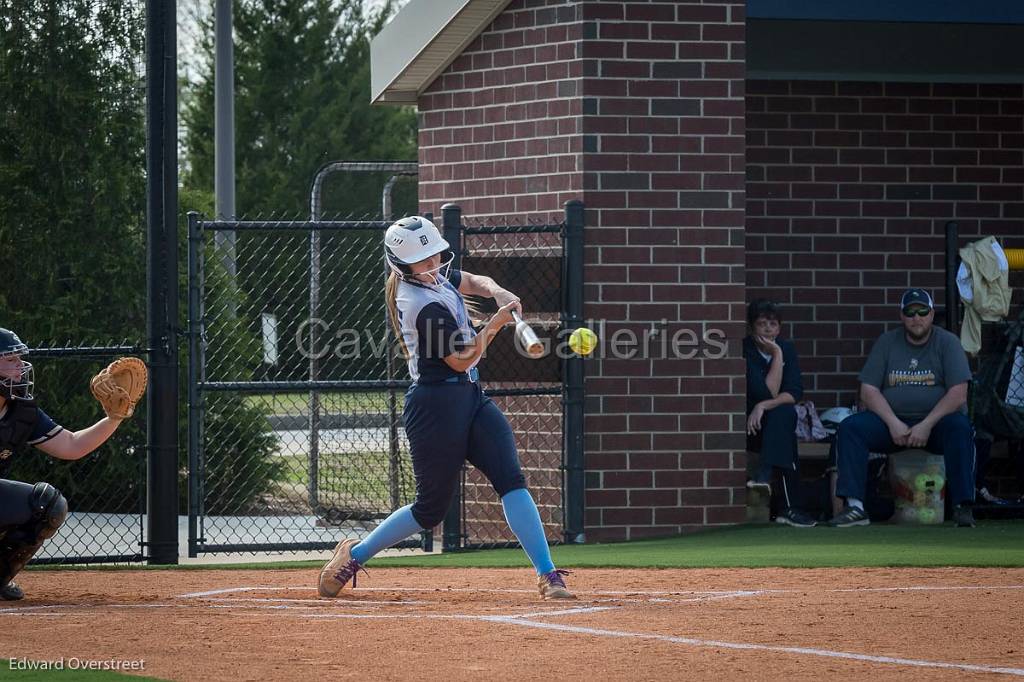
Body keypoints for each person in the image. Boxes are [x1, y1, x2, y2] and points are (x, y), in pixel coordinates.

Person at [317, 216, 574, 600]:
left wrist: (497, 290)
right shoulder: (418, 301)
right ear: (402, 267)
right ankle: (354, 555)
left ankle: (548, 574)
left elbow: (471, 281)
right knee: (430, 509)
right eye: (422, 260)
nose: (433, 263)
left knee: (510, 478)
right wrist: (495, 324)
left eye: (434, 254)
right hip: (435, 404)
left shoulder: (433, 277)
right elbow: (460, 360)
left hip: (471, 398)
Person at [829, 288, 976, 527]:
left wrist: (926, 425)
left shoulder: (948, 342)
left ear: (930, 315)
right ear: (902, 316)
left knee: (961, 427)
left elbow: (959, 394)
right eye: (910, 312)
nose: (916, 317)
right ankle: (855, 507)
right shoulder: (887, 342)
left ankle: (963, 507)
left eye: (922, 311)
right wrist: (894, 423)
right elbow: (868, 390)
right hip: (893, 424)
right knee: (850, 428)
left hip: (935, 425)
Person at [1, 328, 128, 600]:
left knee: (47, 505)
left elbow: (72, 445)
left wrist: (114, 417)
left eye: (19, 359)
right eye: (10, 360)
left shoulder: (20, 410)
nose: (20, 367)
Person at [743, 299, 817, 527]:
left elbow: (794, 392)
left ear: (780, 327)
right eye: (761, 323)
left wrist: (763, 406)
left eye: (773, 324)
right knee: (784, 423)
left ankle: (763, 477)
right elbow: (767, 391)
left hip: (772, 422)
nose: (767, 329)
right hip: (750, 427)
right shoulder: (745, 349)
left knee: (784, 415)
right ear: (751, 327)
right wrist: (776, 355)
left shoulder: (786, 348)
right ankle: (789, 508)